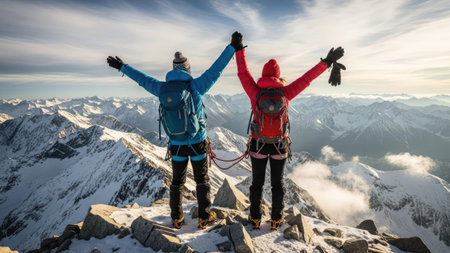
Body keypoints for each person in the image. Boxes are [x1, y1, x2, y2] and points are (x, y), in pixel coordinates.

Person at [106, 32, 241, 229]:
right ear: (188, 69)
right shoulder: (196, 86)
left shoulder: (161, 88)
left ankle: (177, 219)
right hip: (197, 142)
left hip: (176, 144)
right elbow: (216, 69)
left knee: (177, 181)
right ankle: (204, 217)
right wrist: (232, 48)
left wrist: (122, 67)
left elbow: (142, 79)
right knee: (202, 179)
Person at [232, 32, 344, 230]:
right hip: (279, 145)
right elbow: (306, 78)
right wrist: (326, 63)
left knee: (256, 184)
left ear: (264, 74)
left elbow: (242, 73)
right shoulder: (286, 92)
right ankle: (276, 220)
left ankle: (255, 219)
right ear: (277, 75)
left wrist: (239, 49)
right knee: (278, 184)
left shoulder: (255, 91)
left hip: (258, 144)